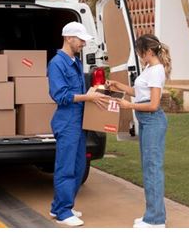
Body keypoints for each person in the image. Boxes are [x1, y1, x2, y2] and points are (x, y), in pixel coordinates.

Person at [106, 34, 172, 228]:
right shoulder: (149, 68)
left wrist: (129, 106)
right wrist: (119, 86)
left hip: (153, 121)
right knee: (149, 168)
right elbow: (140, 93)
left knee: (153, 169)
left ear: (149, 52)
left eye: (140, 53)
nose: (139, 56)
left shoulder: (156, 71)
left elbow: (153, 104)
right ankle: (154, 215)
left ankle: (155, 220)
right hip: (146, 121)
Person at [47, 21, 109, 227]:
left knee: (79, 165)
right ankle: (64, 211)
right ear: (68, 38)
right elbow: (60, 96)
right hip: (67, 122)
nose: (83, 43)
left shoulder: (75, 61)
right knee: (66, 167)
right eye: (80, 39)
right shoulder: (57, 63)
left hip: (79, 121)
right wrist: (87, 97)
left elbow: (82, 93)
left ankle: (59, 206)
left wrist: (95, 91)